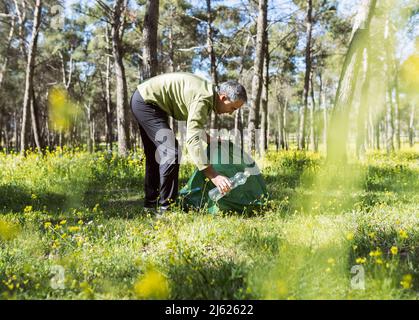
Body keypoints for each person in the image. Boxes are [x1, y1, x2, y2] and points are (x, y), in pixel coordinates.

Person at [130, 72, 247, 214]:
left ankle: (150, 206)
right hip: (146, 103)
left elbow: (194, 126)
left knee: (156, 155)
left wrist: (209, 139)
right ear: (223, 98)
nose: (230, 113)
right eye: (232, 108)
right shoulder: (204, 98)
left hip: (146, 100)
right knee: (171, 152)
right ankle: (166, 209)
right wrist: (213, 175)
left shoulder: (207, 94)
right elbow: (192, 140)